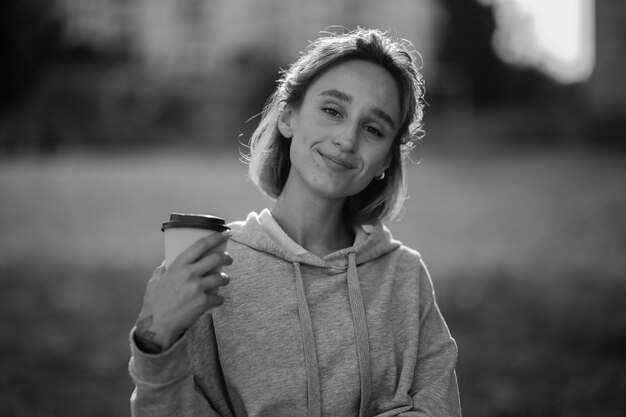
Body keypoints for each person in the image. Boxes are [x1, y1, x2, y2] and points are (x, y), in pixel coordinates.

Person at [129, 28, 461, 416]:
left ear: (385, 161)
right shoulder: (208, 267)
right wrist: (156, 343)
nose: (347, 140)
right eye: (332, 110)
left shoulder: (405, 278)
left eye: (373, 129)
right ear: (288, 117)